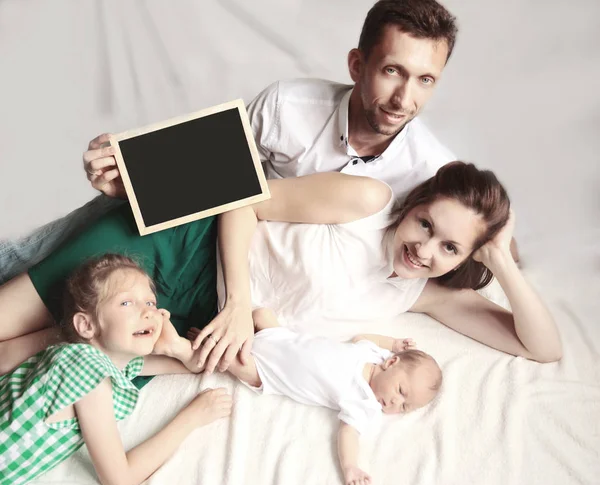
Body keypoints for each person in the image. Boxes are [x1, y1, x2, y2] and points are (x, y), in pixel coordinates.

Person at [0, 0, 466, 284]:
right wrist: (132, 176)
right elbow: (216, 170)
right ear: (356, 65)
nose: (405, 98)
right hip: (226, 227)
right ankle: (13, 260)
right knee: (119, 210)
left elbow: (470, 238)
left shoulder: (433, 170)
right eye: (392, 72)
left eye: (426, 80)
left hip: (281, 274)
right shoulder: (289, 104)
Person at [0, 162, 562, 385]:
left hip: (182, 318)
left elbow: (542, 349)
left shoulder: (422, 296)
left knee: (24, 357)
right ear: (414, 203)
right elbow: (239, 199)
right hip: (177, 248)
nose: (423, 250)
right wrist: (240, 302)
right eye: (424, 224)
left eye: (450, 248)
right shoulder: (367, 202)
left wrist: (503, 261)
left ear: (466, 259)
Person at [0, 254, 232, 485]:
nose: (148, 312)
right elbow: (119, 480)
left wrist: (174, 345)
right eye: (126, 303)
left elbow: (198, 364)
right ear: (86, 325)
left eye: (151, 303)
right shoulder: (86, 369)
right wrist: (192, 417)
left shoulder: (112, 363)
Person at [179, 308, 441, 485]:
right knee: (261, 314)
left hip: (270, 372)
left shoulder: (365, 403)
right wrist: (393, 343)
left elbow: (349, 434)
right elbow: (362, 338)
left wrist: (351, 466)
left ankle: (200, 344)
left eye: (404, 407)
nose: (394, 403)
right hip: (282, 337)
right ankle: (220, 324)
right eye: (401, 392)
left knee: (233, 363)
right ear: (391, 363)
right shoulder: (375, 354)